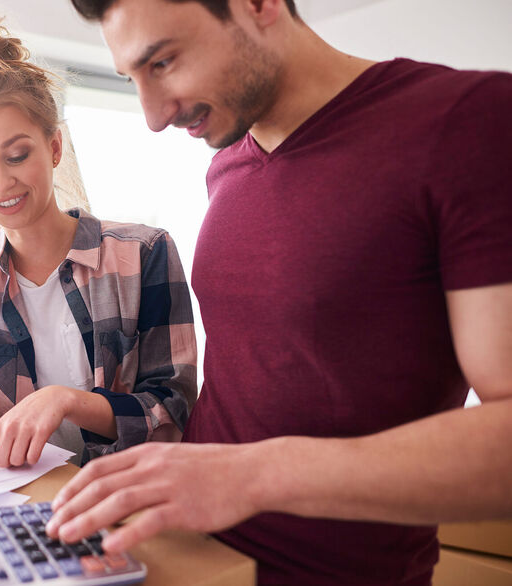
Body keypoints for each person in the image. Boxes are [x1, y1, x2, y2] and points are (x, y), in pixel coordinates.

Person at [45, 0, 512, 584]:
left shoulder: (469, 121)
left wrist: (250, 475)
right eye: (133, 79)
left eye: (162, 61)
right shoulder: (228, 166)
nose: (153, 116)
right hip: (176, 547)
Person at [0, 8, 197, 474]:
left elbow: (172, 415)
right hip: (12, 504)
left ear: (53, 148)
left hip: (118, 500)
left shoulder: (143, 254)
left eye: (16, 155)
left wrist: (66, 403)